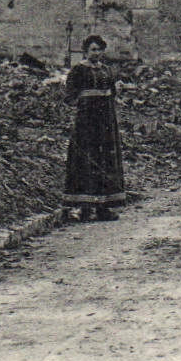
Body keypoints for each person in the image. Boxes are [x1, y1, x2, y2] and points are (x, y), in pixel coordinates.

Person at [63, 35, 124, 222]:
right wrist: (83, 102)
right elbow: (69, 96)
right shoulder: (78, 71)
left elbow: (112, 92)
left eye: (99, 49)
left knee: (105, 159)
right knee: (86, 159)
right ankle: (84, 207)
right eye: (93, 50)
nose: (96, 53)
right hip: (87, 122)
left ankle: (104, 207)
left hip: (106, 121)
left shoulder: (107, 70)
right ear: (86, 51)